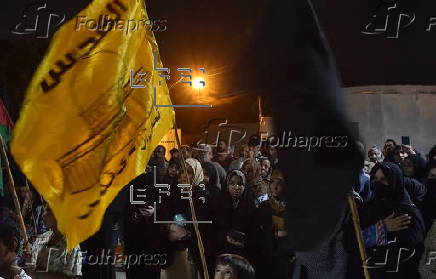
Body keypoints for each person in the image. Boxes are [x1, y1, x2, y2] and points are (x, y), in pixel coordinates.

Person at [360, 162, 425, 279]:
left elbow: (410, 251)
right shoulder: (367, 209)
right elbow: (352, 242)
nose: (378, 183)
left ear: (395, 181)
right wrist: (380, 229)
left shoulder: (407, 212)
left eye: (384, 179)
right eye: (374, 178)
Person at [255, 170, 294, 279]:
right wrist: (277, 234)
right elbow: (258, 234)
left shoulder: (292, 209)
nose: (275, 187)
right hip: (267, 258)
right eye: (272, 182)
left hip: (286, 259)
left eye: (280, 183)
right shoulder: (264, 206)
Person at [25, 206, 82, 279]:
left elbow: (73, 277)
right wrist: (29, 262)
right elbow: (31, 271)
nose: (43, 215)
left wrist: (38, 273)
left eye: (48, 211)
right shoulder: (42, 238)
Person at [215, 171, 256, 260]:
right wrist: (225, 237)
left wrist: (245, 242)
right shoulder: (220, 203)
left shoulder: (250, 204)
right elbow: (215, 227)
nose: (236, 187)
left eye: (240, 184)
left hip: (244, 251)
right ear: (227, 185)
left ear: (245, 186)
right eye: (232, 183)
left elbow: (254, 230)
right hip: (223, 249)